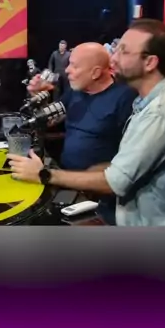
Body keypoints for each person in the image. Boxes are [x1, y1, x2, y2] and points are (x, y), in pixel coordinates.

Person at [10, 19, 165, 226]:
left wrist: (44, 175)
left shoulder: (160, 114)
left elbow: (115, 182)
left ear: (150, 63)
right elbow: (133, 163)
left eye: (123, 52)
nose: (113, 59)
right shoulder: (148, 103)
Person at [27, 42, 136, 223]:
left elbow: (131, 162)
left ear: (95, 73)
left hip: (100, 195)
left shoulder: (125, 98)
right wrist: (37, 97)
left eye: (74, 66)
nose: (67, 70)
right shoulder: (75, 92)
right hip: (65, 182)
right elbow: (50, 120)